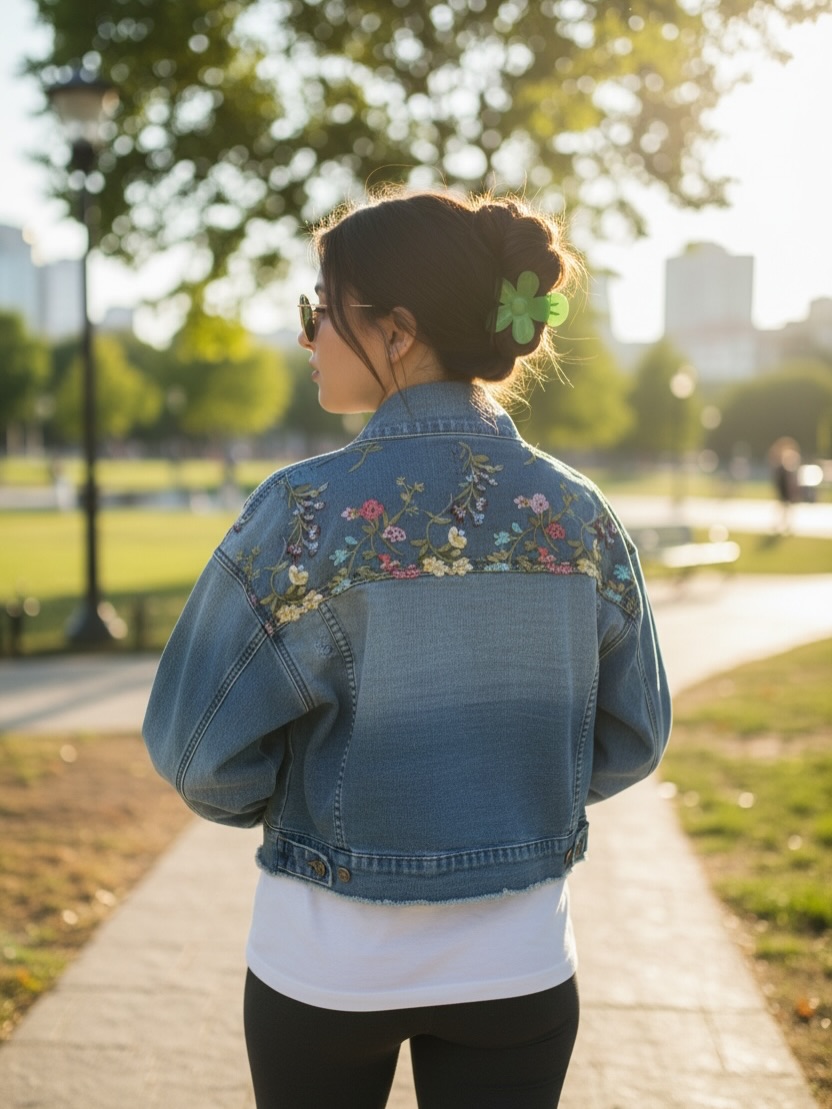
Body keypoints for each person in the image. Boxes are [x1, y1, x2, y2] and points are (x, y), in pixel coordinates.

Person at [143, 188, 672, 1109]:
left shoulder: (301, 511)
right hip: (519, 963)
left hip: (327, 960)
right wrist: (509, 796)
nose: (306, 336)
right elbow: (637, 735)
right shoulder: (579, 513)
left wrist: (311, 803)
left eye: (320, 309)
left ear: (397, 331)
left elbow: (197, 755)